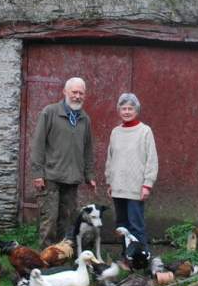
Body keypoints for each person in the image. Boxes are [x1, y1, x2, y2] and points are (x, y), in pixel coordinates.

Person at [30, 77, 97, 246]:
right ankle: (45, 260)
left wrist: (89, 175)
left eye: (81, 93)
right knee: (50, 220)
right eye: (74, 92)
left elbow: (88, 148)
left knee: (67, 221)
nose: (77, 96)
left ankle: (62, 256)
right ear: (65, 92)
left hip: (72, 178)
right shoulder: (50, 112)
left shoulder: (84, 119)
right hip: (50, 177)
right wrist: (37, 173)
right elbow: (38, 144)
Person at [105, 93, 158, 251]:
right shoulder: (116, 132)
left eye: (130, 108)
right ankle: (126, 256)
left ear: (137, 110)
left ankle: (142, 258)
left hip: (136, 188)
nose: (127, 112)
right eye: (123, 108)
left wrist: (147, 185)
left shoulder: (144, 131)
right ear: (119, 110)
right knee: (122, 226)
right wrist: (110, 181)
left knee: (136, 225)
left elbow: (152, 159)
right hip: (118, 187)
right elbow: (110, 157)